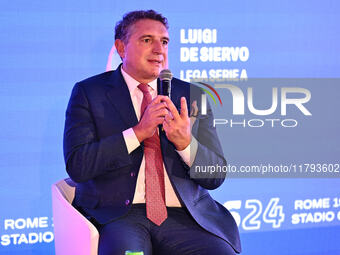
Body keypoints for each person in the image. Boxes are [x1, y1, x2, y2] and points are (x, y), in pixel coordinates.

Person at [63, 9, 241, 255]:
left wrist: (185, 144)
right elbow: (78, 166)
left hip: (184, 216)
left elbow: (215, 176)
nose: (159, 49)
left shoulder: (192, 96)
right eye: (147, 40)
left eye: (164, 41)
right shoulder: (89, 93)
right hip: (120, 215)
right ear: (121, 48)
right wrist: (137, 133)